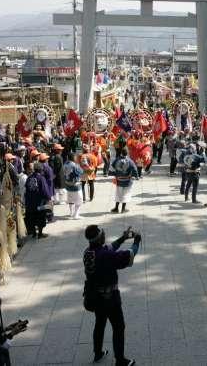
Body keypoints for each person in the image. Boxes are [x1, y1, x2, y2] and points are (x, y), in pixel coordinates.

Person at [83, 224, 141, 365]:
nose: (105, 235)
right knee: (118, 327)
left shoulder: (88, 252)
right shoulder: (105, 256)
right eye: (103, 234)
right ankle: (120, 360)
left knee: (100, 323)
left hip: (95, 296)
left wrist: (122, 238)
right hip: (110, 298)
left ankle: (98, 353)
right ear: (99, 238)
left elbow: (109, 248)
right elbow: (128, 255)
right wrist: (136, 241)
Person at [24, 162, 50, 236]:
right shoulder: (41, 178)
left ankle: (34, 233)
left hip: (30, 202)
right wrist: (48, 198)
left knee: (32, 218)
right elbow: (44, 190)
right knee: (40, 217)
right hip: (39, 202)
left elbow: (26, 188)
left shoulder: (29, 178)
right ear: (40, 170)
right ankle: (40, 234)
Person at [110, 148, 139, 214]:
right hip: (127, 181)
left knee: (118, 194)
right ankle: (123, 209)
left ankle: (116, 208)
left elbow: (111, 168)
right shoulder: (130, 161)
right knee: (126, 194)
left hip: (119, 180)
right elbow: (134, 169)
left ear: (121, 153)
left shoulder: (117, 160)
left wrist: (115, 174)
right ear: (127, 153)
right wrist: (136, 176)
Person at [63, 152, 84, 219]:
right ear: (73, 157)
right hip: (75, 185)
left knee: (70, 200)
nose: (76, 158)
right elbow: (80, 172)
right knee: (79, 200)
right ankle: (76, 215)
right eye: (75, 157)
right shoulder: (74, 165)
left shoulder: (65, 164)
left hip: (67, 185)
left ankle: (71, 213)